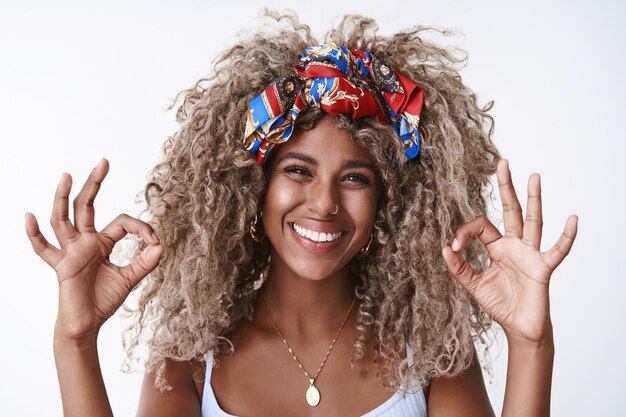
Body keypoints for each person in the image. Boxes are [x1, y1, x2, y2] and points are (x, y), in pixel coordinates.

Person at [25, 11, 578, 417]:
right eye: (298, 170)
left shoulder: (431, 357)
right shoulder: (191, 360)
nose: (324, 203)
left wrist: (533, 345)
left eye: (356, 177)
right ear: (252, 185)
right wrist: (73, 342)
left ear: (393, 201)